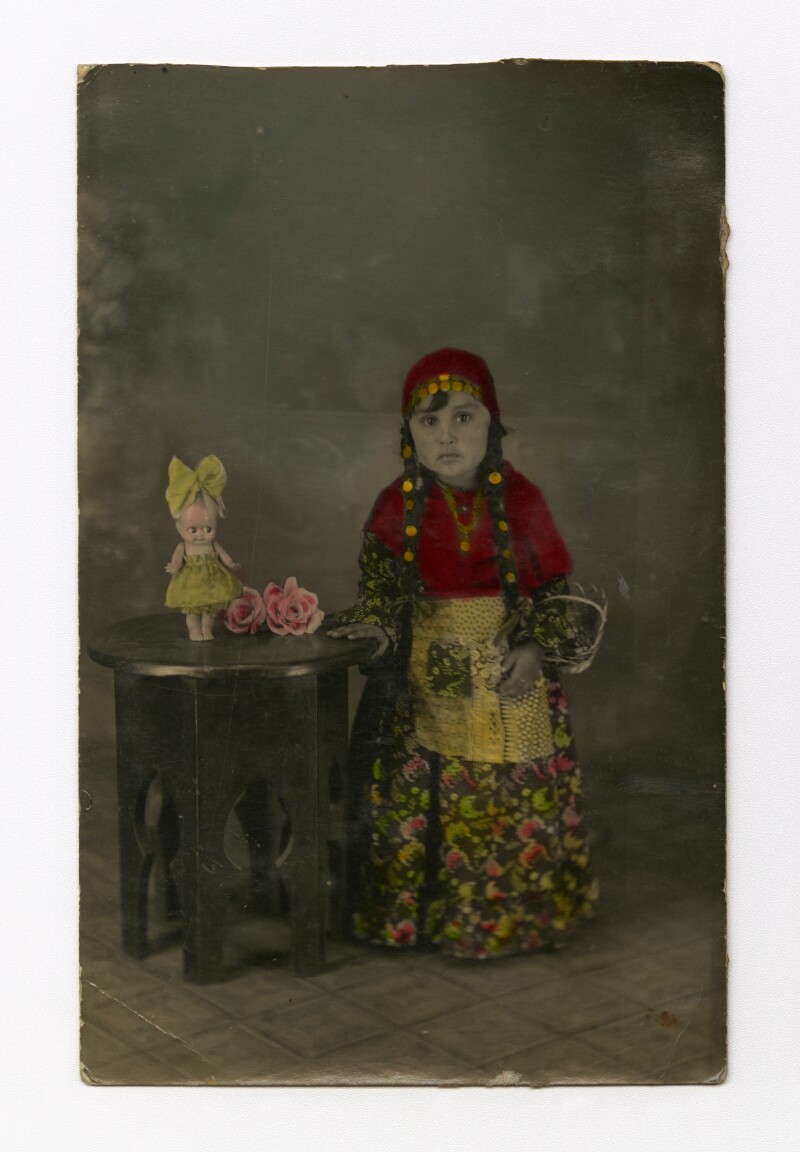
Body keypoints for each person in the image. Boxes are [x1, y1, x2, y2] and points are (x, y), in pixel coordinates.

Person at [329, 348, 599, 960]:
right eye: (429, 422)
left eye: (463, 418)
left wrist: (534, 649)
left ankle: (508, 922)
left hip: (510, 674)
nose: (447, 436)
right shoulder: (395, 507)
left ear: (491, 424)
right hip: (428, 680)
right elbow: (380, 598)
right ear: (410, 434)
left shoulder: (523, 501)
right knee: (421, 786)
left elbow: (553, 594)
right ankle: (419, 920)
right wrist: (376, 629)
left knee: (503, 794)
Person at [164, 454, 242, 640]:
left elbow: (223, 555)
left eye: (208, 529)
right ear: (179, 527)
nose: (201, 535)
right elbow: (177, 558)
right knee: (192, 611)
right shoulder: (183, 546)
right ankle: (194, 631)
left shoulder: (213, 544)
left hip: (212, 583)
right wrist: (175, 565)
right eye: (193, 529)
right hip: (191, 584)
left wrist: (230, 564)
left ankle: (206, 630)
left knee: (210, 611)